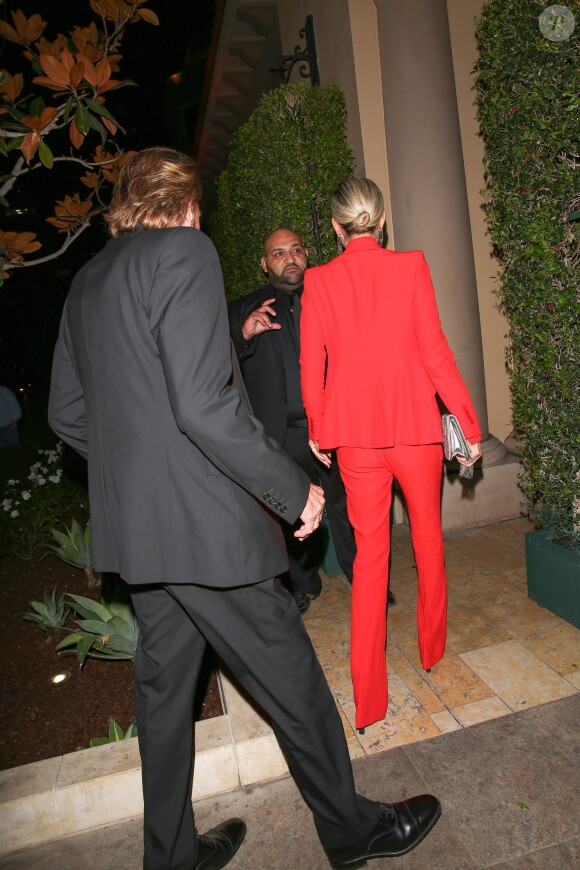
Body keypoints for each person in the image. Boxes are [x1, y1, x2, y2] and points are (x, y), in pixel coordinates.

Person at [48, 150, 440, 870]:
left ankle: (170, 857)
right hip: (204, 534)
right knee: (294, 682)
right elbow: (204, 406)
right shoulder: (186, 252)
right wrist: (295, 489)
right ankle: (351, 831)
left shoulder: (88, 281)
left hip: (142, 540)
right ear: (188, 205)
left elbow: (68, 414)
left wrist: (140, 474)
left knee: (164, 701)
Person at [300, 177, 482, 733]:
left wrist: (318, 428)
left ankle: (369, 702)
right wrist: (468, 425)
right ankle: (431, 649)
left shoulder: (319, 280)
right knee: (427, 540)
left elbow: (313, 362)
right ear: (382, 221)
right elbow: (436, 353)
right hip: (415, 431)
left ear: (336, 227)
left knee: (370, 560)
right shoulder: (411, 267)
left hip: (355, 438)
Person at [229, 230, 395, 613]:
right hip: (280, 434)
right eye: (279, 253)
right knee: (292, 511)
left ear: (307, 255)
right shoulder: (241, 309)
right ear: (264, 263)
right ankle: (304, 584)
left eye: (297, 250)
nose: (290, 259)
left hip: (336, 426)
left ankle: (365, 581)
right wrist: (243, 334)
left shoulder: (333, 295)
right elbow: (218, 367)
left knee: (349, 507)